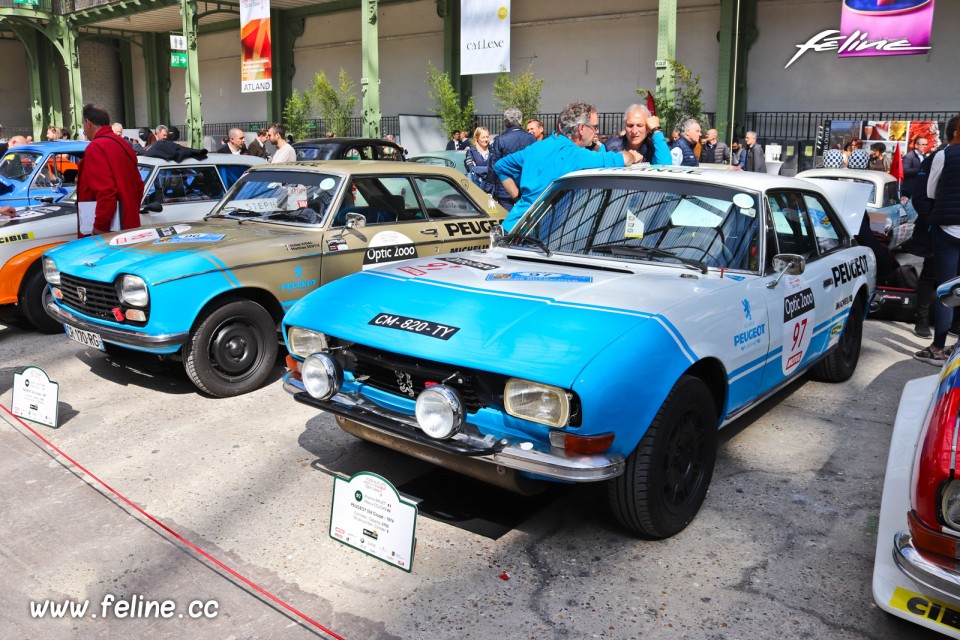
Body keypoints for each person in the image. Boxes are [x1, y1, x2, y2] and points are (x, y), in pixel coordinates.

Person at [494, 100, 642, 231]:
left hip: (512, 226)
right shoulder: (576, 155)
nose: (597, 131)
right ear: (581, 129)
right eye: (595, 127)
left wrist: (518, 198)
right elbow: (622, 159)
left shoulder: (537, 147)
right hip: (535, 236)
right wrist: (632, 154)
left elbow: (501, 166)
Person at [915, 114, 960, 365]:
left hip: (948, 229)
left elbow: (930, 191)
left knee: (948, 289)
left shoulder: (944, 155)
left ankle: (938, 349)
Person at [74, 103, 144, 236]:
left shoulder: (96, 147)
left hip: (107, 231)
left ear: (88, 123)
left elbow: (106, 192)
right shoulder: (124, 144)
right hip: (129, 224)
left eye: (83, 124)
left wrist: (100, 226)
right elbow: (139, 185)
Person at [485, 108, 535, 209]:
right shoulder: (531, 138)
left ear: (505, 122)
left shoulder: (500, 140)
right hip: (526, 186)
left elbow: (493, 165)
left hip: (505, 188)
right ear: (520, 121)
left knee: (507, 219)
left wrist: (487, 188)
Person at [603, 104, 671, 165]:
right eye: (630, 125)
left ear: (648, 128)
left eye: (639, 125)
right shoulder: (609, 146)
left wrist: (656, 130)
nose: (634, 131)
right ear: (625, 127)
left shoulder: (654, 148)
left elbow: (666, 166)